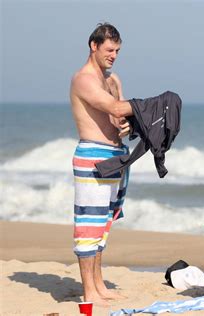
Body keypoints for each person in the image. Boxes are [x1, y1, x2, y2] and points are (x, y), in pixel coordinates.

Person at [70, 22, 134, 306]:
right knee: (88, 225)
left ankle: (99, 284)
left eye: (118, 50)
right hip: (93, 156)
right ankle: (89, 291)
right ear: (93, 46)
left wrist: (128, 129)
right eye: (109, 49)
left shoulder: (114, 80)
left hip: (116, 156)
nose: (114, 55)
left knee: (104, 224)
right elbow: (116, 107)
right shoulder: (83, 80)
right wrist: (159, 104)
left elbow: (122, 119)